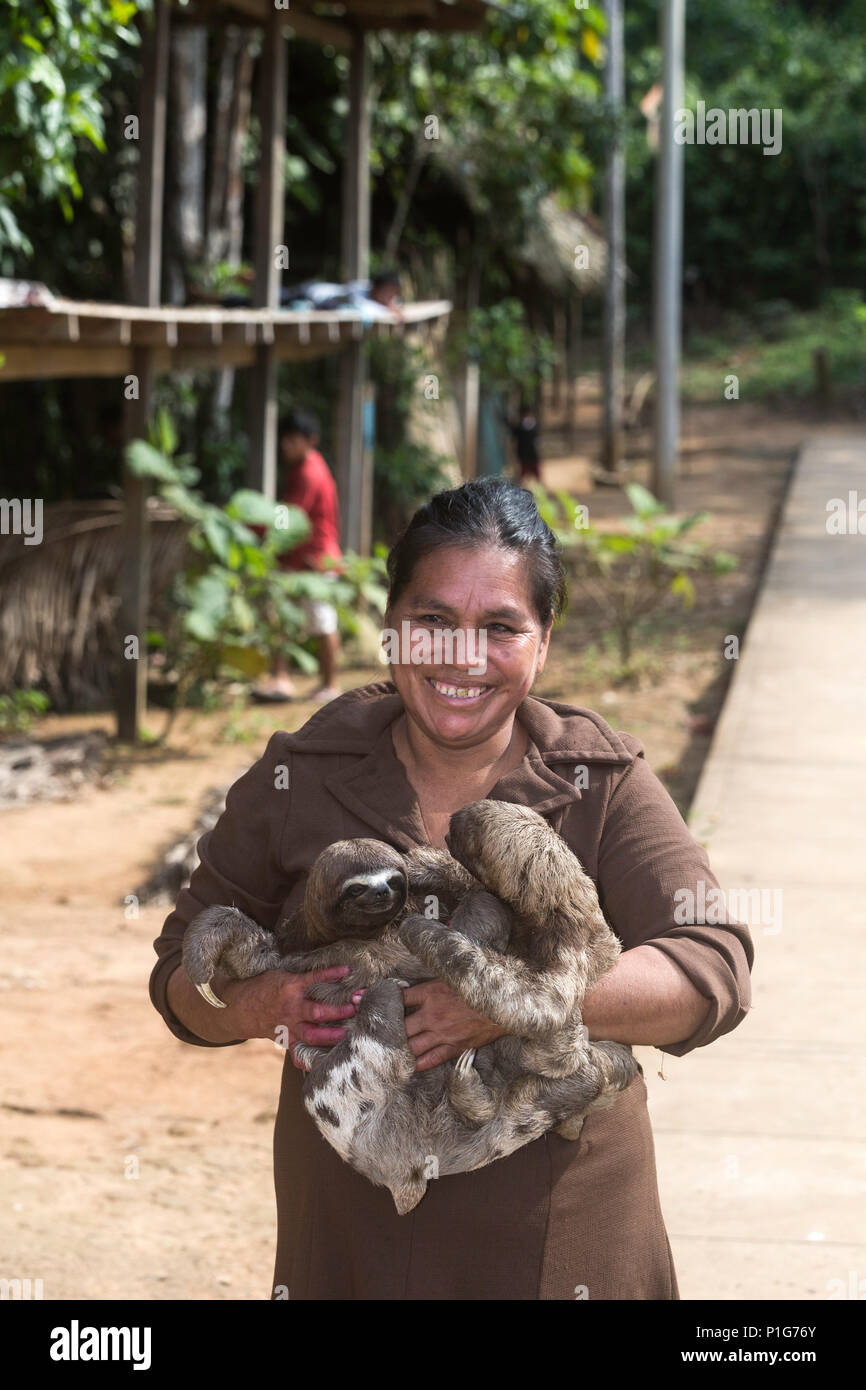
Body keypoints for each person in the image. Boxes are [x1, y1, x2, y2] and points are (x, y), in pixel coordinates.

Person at [150, 476, 753, 1300]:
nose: (462, 657)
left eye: (501, 627)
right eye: (433, 621)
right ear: (393, 628)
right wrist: (264, 1006)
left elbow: (710, 972)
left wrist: (517, 997)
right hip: (353, 1241)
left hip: (560, 1241)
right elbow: (178, 981)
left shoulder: (599, 779)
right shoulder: (302, 773)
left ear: (542, 643)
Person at [254, 409, 342, 706]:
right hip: (303, 559)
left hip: (314, 561)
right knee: (282, 617)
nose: (286, 446)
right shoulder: (307, 466)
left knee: (320, 620)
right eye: (285, 440)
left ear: (310, 440)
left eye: (293, 440)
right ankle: (283, 678)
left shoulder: (308, 472)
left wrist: (252, 524)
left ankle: (328, 684)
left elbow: (289, 518)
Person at [507, 401, 541, 483]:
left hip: (531, 454)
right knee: (522, 475)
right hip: (523, 454)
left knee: (536, 475)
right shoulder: (520, 426)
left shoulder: (532, 425)